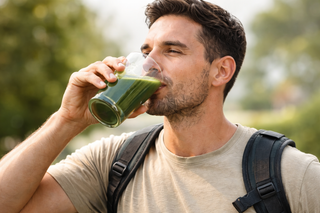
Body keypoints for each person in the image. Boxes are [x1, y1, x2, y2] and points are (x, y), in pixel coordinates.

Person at [0, 0, 319, 212]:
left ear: (221, 71)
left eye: (172, 51)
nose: (150, 64)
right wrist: (67, 119)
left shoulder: (289, 173)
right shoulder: (113, 163)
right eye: (146, 51)